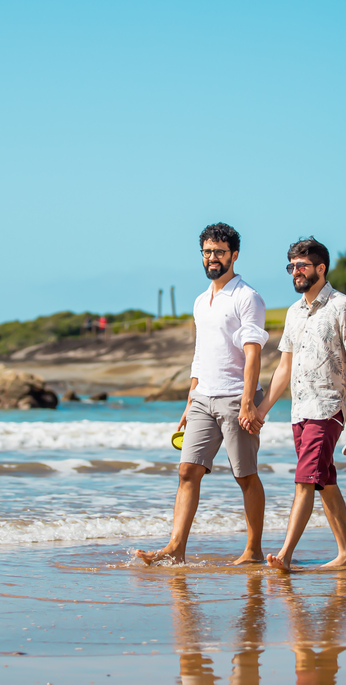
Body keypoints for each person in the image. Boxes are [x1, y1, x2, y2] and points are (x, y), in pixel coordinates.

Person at [135, 222, 270, 565]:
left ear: (234, 255)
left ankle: (253, 550)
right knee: (187, 471)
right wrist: (189, 400)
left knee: (245, 476)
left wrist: (246, 403)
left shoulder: (247, 297)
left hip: (236, 399)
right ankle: (175, 549)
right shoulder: (200, 301)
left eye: (219, 252)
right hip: (202, 399)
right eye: (207, 252)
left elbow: (253, 353)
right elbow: (200, 354)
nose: (212, 258)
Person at [253, 237, 346, 572]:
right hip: (299, 411)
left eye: (301, 266)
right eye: (291, 266)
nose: (295, 272)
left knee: (305, 480)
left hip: (328, 409)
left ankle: (285, 555)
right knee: (324, 481)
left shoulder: (343, 306)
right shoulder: (292, 313)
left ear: (321, 268)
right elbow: (284, 367)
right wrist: (263, 410)